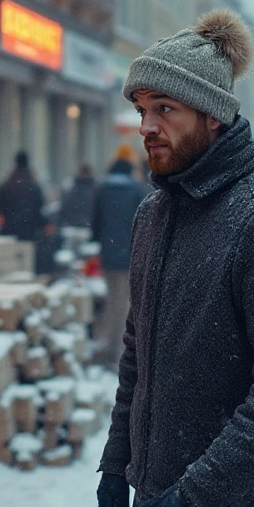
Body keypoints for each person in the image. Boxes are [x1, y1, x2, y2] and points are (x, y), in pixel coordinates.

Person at [98, 10, 254, 507]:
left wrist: (195, 496)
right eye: (142, 109)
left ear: (213, 114)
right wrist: (117, 467)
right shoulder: (154, 214)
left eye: (165, 108)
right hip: (154, 490)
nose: (147, 126)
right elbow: (137, 356)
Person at [89, 147, 149, 368]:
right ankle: (119, 353)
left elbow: (95, 221)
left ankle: (107, 345)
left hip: (108, 254)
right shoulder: (137, 189)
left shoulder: (102, 188)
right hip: (129, 254)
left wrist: (100, 242)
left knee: (110, 301)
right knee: (124, 304)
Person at [0, 151, 49, 273]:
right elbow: (40, 212)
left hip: (8, 235)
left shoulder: (5, 185)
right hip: (29, 235)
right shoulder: (34, 186)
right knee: (27, 269)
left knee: (10, 271)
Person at [58, 164, 98, 229]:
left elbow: (63, 209)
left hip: (71, 227)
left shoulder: (71, 189)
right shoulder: (96, 191)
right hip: (89, 227)